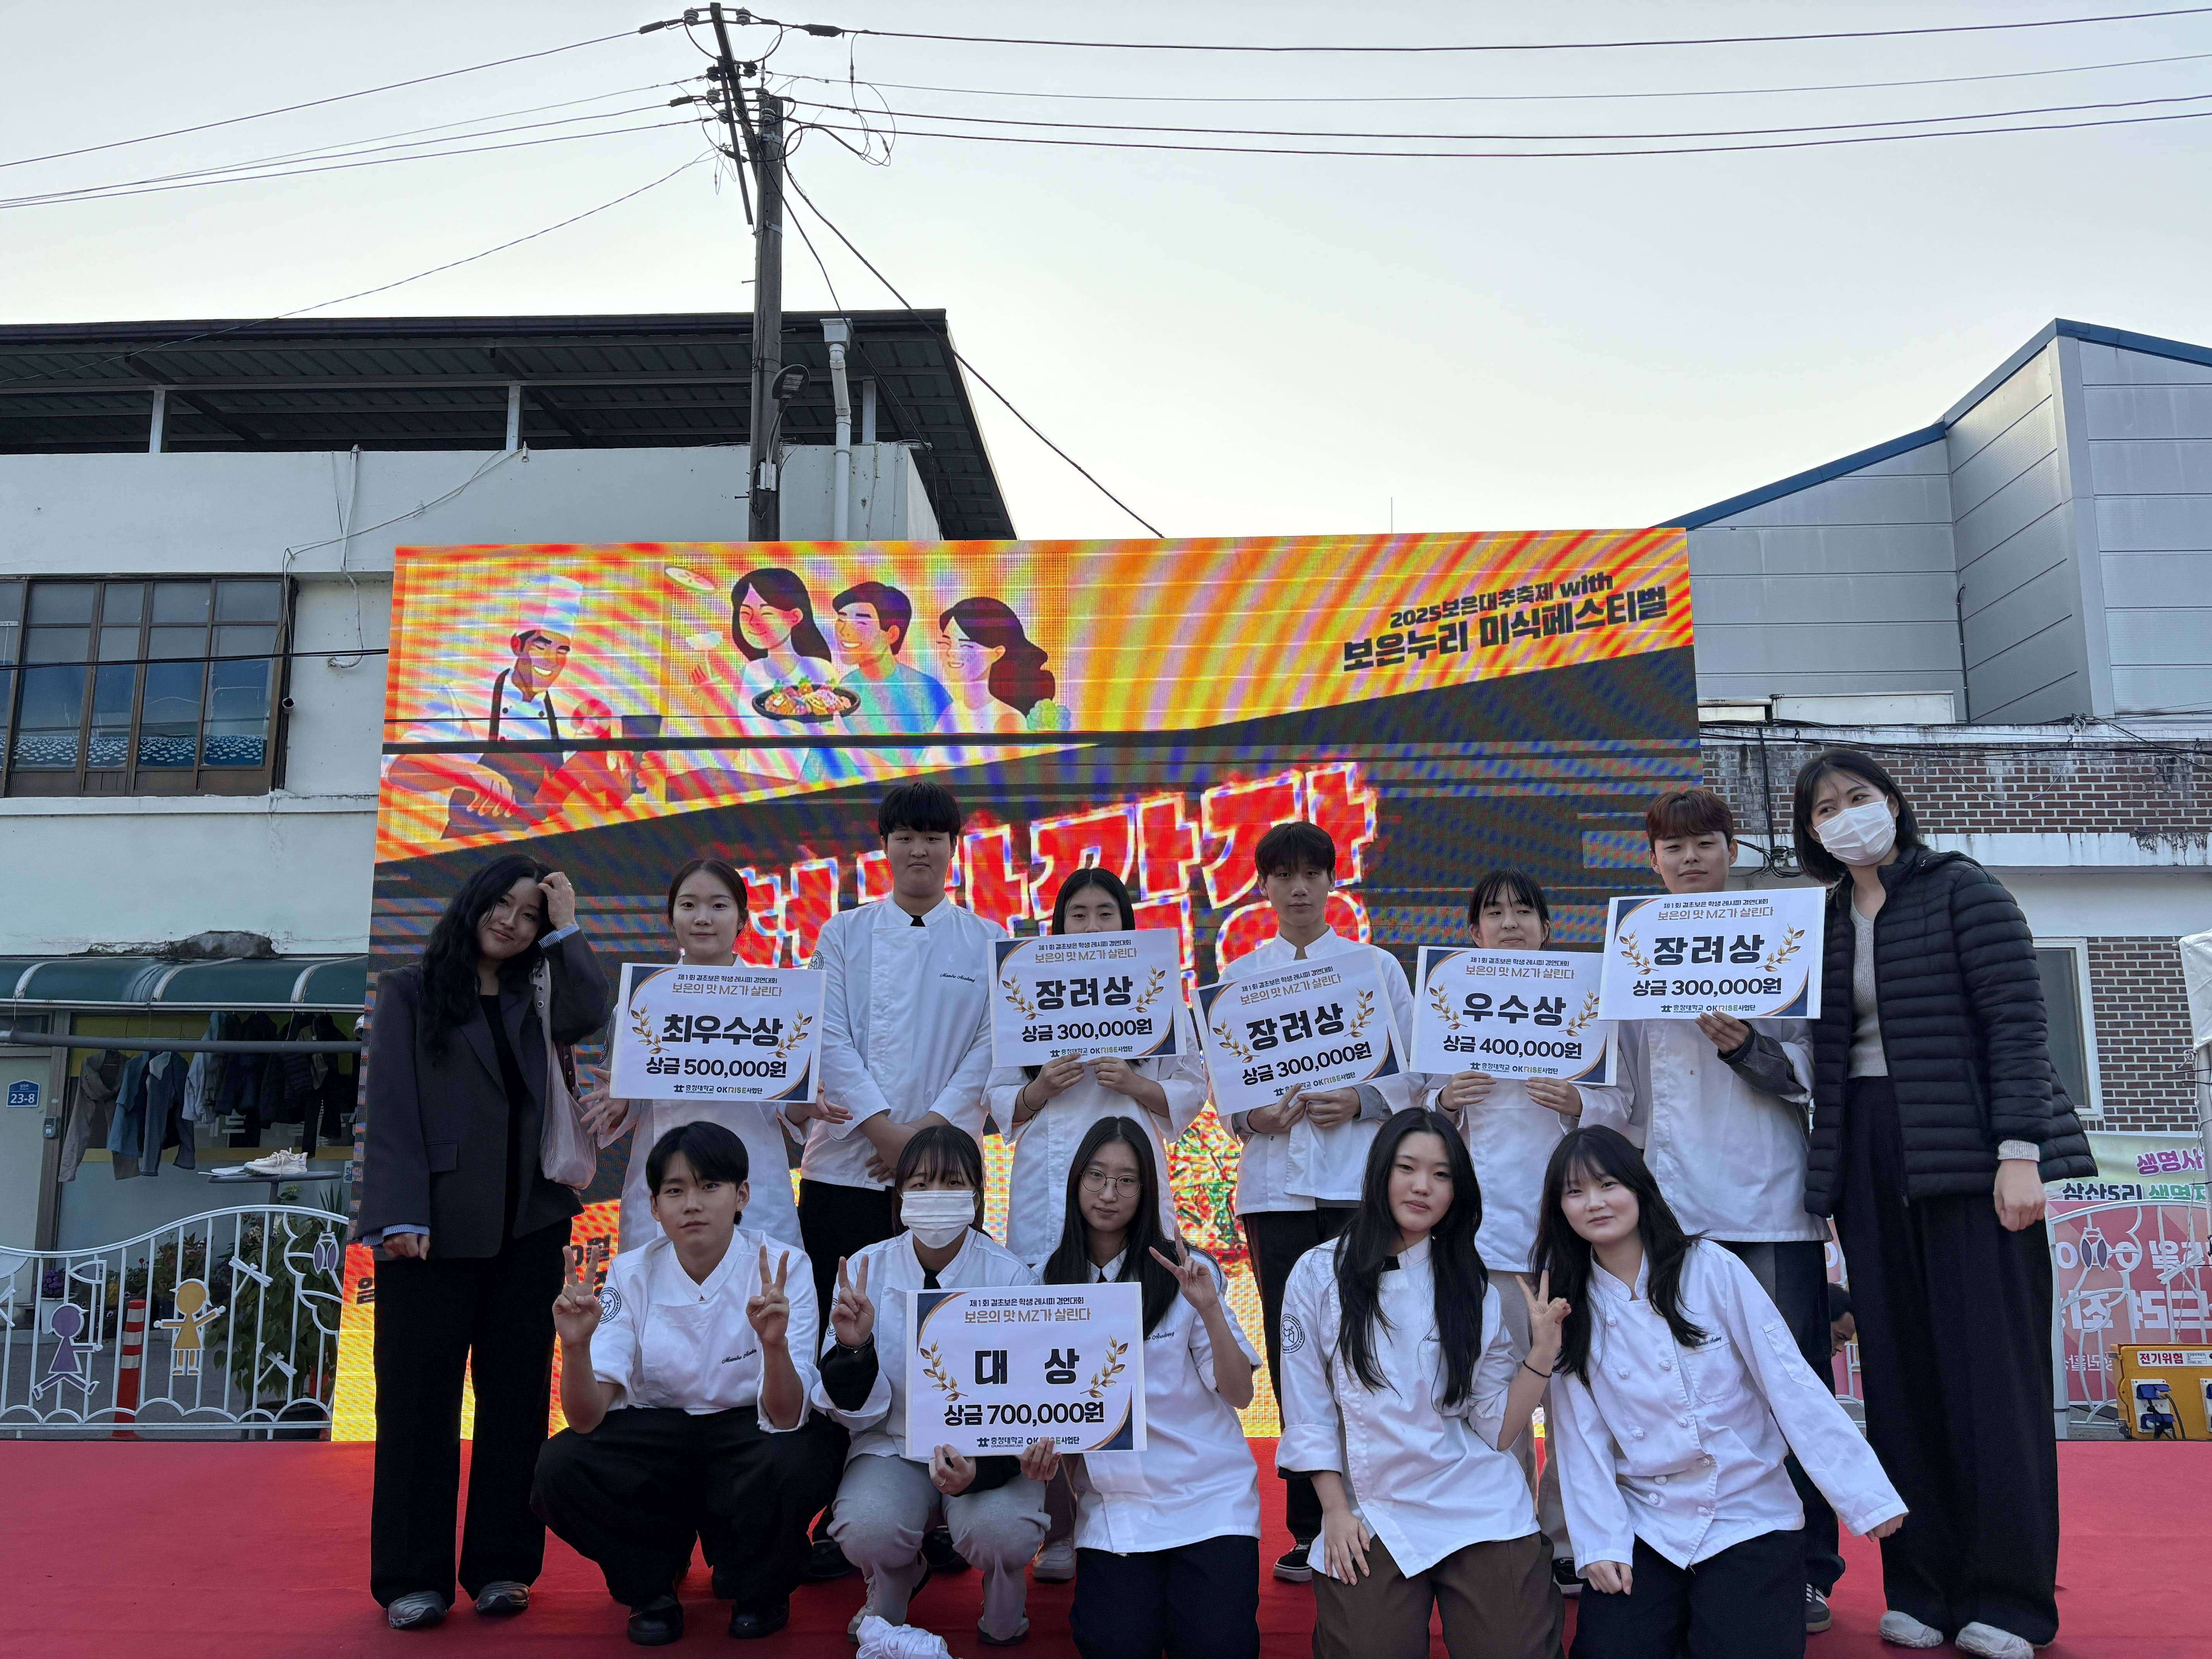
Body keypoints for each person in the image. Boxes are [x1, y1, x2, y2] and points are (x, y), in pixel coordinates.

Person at [1792, 749, 2092, 1659]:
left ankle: (2009, 1599)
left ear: (1893, 802)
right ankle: (1922, 1587)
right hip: (1870, 1155)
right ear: (1810, 834)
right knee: (1899, 1380)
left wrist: (2019, 1152)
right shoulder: (1822, 920)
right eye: (1825, 809)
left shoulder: (1964, 889)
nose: (1845, 817)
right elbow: (1815, 1059)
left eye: (1857, 797)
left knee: (1992, 1380)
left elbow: (2017, 1023)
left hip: (1972, 1156)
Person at [1577, 786, 1843, 1632]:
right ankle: (1682, 1548)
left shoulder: (1780, 934)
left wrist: (1747, 1047)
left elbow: (1810, 1074)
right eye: (1674, 846)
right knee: (1685, 1388)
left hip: (1766, 1199)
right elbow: (1618, 1090)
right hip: (1668, 1206)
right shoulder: (1632, 946)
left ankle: (1807, 1565)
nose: (1689, 858)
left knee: (1787, 1383)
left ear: (1732, 849)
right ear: (1651, 859)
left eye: (1705, 843)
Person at [1534, 1125, 1906, 1659]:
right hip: (1647, 1517)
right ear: (1559, 1208)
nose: (1594, 1202)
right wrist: (1599, 1543)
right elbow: (1579, 1440)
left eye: (1608, 1184)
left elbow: (1790, 1382)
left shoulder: (1709, 1267)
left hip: (1745, 1507)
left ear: (1639, 1187)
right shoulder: (1572, 1305)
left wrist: (1863, 1495)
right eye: (1575, 1192)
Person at [358, 854, 613, 1630]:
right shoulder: (409, 991)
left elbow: (593, 1008)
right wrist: (400, 1214)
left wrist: (567, 925)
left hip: (530, 1226)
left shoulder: (543, 992)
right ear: (473, 904)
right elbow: (390, 1109)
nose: (511, 921)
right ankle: (413, 1578)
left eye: (529, 914)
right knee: (417, 1405)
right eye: (502, 904)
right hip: (429, 1232)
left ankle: (503, 1565)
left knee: (516, 1403)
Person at [800, 780, 1006, 1581]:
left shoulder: (987, 939)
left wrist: (926, 1143)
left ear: (954, 848)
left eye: (933, 836)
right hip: (847, 1165)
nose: (919, 849)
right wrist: (883, 1129)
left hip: (945, 1171)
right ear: (884, 846)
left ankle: (950, 1506)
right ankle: (837, 1509)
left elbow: (991, 1046)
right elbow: (827, 1035)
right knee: (845, 1335)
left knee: (952, 1333)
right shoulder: (843, 933)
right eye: (905, 836)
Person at [531, 1121, 844, 1644]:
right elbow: (586, 1419)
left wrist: (773, 1346)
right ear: (654, 1207)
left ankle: (758, 1585)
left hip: (749, 1432)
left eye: (710, 1187)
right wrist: (577, 1347)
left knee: (805, 1455)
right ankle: (651, 1584)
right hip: (660, 1433)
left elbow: (788, 1415)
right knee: (561, 1465)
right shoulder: (631, 1272)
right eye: (675, 1191)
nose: (692, 1205)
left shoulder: (784, 1267)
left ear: (742, 1196)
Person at [1277, 1109, 1563, 1659]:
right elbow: (1307, 1408)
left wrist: (1542, 1354)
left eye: (1441, 1175)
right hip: (1370, 1506)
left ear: (1458, 1191)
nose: (1422, 1186)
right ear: (1380, 1173)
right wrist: (1333, 1512)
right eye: (1407, 1168)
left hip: (1475, 1499)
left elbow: (1497, 1428)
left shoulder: (1469, 1282)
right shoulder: (1318, 1273)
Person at [1224, 819, 1427, 1583]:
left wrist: (1362, 1100)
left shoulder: (1375, 968)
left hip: (1358, 1188)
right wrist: (1257, 1117)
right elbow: (1225, 1090)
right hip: (1273, 1192)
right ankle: (1310, 1524)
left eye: (1312, 873)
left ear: (1332, 880)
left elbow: (1416, 1072)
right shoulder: (1240, 975)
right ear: (1264, 886)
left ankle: (1378, 1510)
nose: (1298, 887)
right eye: (1284, 875)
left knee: (1371, 1344)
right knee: (1295, 1354)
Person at [1032, 1118, 1263, 1659]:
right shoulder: (1045, 1279)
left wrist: (1209, 1311)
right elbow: (1043, 1405)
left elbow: (1240, 1394)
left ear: (1147, 1190)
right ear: (1076, 1181)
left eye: (1126, 1180)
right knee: (1115, 1644)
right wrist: (1041, 1452)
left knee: (1218, 1648)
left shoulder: (1188, 1272)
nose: (1109, 1194)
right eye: (1096, 1176)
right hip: (1118, 1507)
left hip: (1208, 1498)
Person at [815, 1125, 1053, 1647]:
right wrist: (855, 1348)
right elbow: (844, 1405)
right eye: (921, 1184)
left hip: (989, 1450)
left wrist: (984, 1467)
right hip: (894, 1447)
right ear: (900, 1194)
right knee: (866, 1526)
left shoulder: (1011, 1277)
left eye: (953, 1183)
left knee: (1002, 1531)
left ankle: (1005, 1601)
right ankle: (894, 1579)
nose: (936, 1196)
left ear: (977, 1195)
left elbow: (1032, 1400)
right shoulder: (865, 1269)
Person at [1433, 869, 1604, 1594]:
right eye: (1495, 913)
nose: (1510, 923)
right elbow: (1418, 1118)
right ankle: (1510, 1530)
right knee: (1497, 1391)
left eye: (1525, 912)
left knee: (1576, 1392)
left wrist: (1579, 1103)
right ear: (1473, 932)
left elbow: (1624, 1108)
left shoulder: (1585, 1000)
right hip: (1488, 1241)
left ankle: (1566, 1534)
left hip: (1574, 1235)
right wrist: (1447, 1100)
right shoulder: (1447, 1003)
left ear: (1547, 927)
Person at [588, 858, 805, 1254]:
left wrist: (810, 1100)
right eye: (689, 905)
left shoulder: (781, 1002)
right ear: (672, 917)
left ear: (742, 920)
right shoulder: (641, 1001)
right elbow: (623, 1107)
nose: (703, 918)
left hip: (754, 1195)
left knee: (759, 1292)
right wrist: (617, 1103)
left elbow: (792, 1110)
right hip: (664, 1198)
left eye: (719, 906)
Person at [994, 867, 1209, 1265]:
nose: (1092, 927)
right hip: (1048, 1172)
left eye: (1105, 914)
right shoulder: (1022, 993)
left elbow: (1193, 1090)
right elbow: (1000, 1100)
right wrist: (1040, 1090)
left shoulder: (1158, 993)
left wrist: (1134, 1084)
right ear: (1060, 925)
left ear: (1125, 921)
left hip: (1131, 1168)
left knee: (1137, 1282)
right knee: (1049, 1284)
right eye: (1079, 915)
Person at [383, 574, 597, 837]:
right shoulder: (466, 698)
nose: (551, 661)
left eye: (562, 651)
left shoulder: (568, 717)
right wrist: (470, 773)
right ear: (517, 646)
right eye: (541, 647)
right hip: (469, 849)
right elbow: (399, 767)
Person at [667, 566, 837, 800]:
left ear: (795, 617)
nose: (754, 623)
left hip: (800, 789)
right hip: (749, 785)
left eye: (766, 613)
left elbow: (825, 738)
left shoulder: (820, 670)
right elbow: (738, 740)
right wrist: (711, 697)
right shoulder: (751, 670)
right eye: (745, 614)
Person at [833, 580, 952, 732]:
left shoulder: (927, 690)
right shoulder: (847, 685)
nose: (844, 631)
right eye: (841, 619)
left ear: (892, 635)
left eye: (861, 623)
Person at [933, 597, 1058, 733]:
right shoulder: (951, 712)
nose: (951, 652)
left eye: (966, 646)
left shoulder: (1007, 720)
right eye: (947, 643)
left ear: (998, 653)